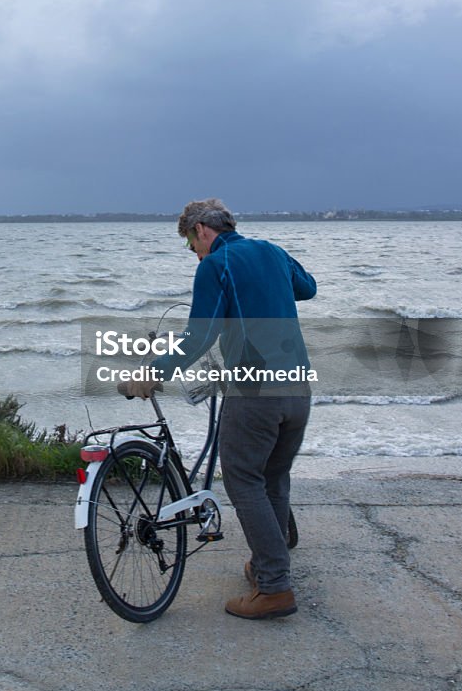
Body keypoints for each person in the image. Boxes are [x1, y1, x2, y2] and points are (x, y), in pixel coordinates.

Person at [122, 198, 316, 620]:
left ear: (201, 231)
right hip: (299, 387)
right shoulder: (271, 251)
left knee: (243, 479)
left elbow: (200, 335)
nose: (194, 253)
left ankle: (275, 588)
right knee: (272, 477)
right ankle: (267, 567)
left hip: (255, 390)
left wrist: (153, 373)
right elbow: (308, 287)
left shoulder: (214, 265)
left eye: (191, 245)